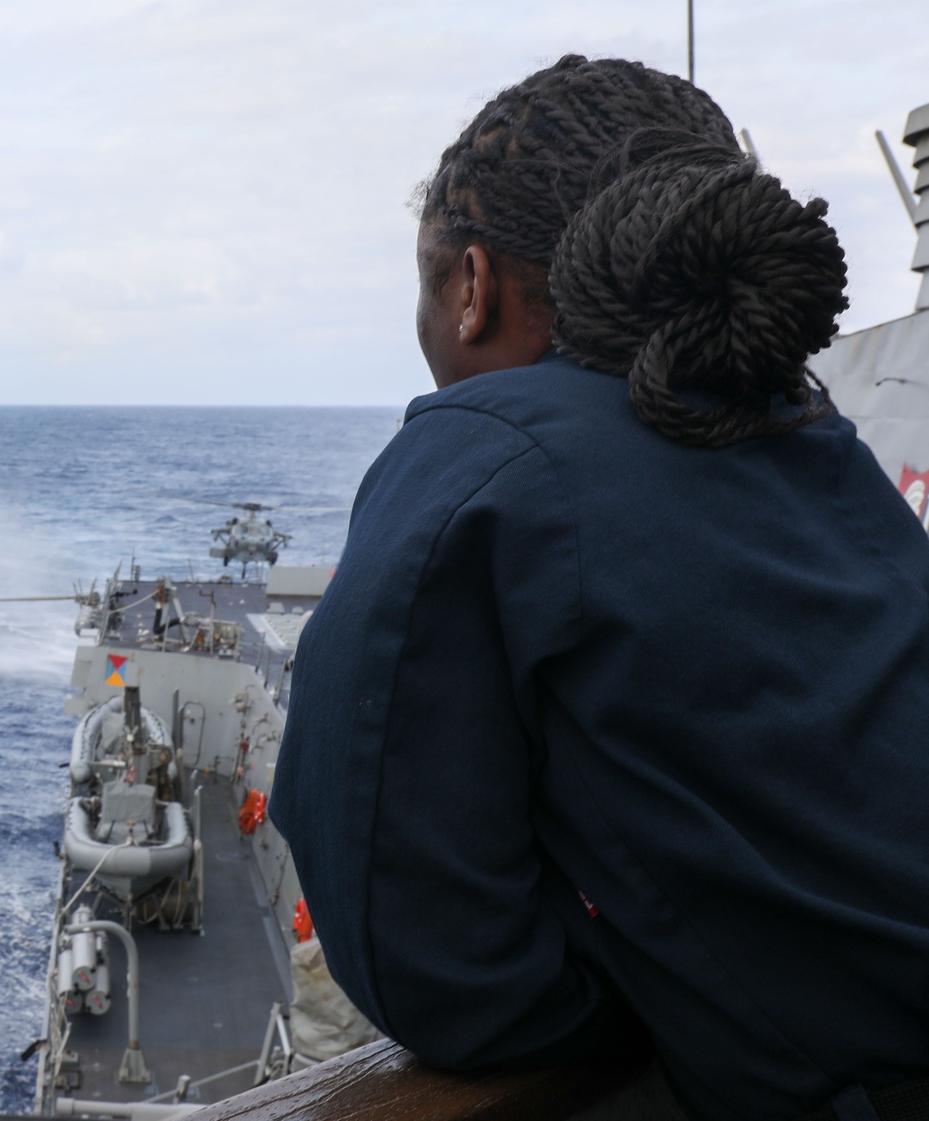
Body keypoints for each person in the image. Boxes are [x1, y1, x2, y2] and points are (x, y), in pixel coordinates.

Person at [269, 56, 929, 1121]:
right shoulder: (816, 435)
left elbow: (425, 962)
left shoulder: (483, 457)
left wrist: (625, 998)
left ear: (472, 286)